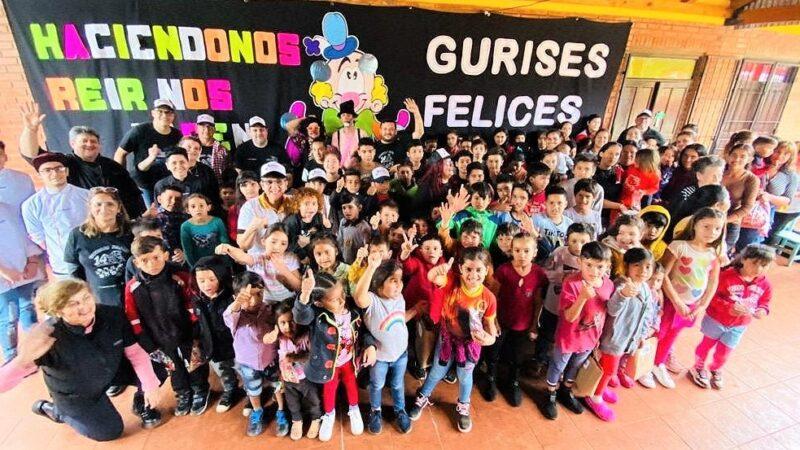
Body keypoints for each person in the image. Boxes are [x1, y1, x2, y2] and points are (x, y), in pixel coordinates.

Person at [0, 279, 162, 440]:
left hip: (109, 370)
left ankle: (143, 403)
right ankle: (58, 412)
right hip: (76, 393)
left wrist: (149, 386)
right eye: (72, 304)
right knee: (110, 432)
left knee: (157, 370)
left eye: (86, 298)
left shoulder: (112, 314)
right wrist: (21, 360)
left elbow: (135, 353)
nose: (84, 307)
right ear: (58, 310)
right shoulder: (46, 336)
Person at [409, 247, 498, 433]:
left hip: (470, 345)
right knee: (436, 371)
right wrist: (437, 270)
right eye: (468, 269)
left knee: (465, 376)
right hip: (447, 339)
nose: (473, 275)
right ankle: (423, 395)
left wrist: (488, 339)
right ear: (460, 268)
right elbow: (433, 278)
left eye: (479, 270)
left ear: (487, 270)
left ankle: (464, 405)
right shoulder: (451, 282)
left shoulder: (488, 298)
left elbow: (491, 328)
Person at [125, 236, 211, 417]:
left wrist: (196, 327)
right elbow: (133, 317)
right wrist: (144, 339)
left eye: (156, 257)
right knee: (174, 367)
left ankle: (200, 390)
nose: (151, 264)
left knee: (195, 363)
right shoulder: (132, 287)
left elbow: (192, 302)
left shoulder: (180, 276)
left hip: (187, 333)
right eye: (144, 260)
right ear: (136, 262)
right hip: (159, 339)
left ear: (165, 255)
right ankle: (182, 393)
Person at [19, 102, 145, 217]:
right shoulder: (64, 163)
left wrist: (140, 218)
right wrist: (30, 130)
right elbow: (31, 154)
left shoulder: (112, 166)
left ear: (99, 145)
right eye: (84, 141)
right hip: (82, 221)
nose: (89, 144)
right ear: (72, 144)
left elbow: (133, 195)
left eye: (93, 141)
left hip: (116, 222)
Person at [292, 270, 377, 442]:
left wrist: (370, 345)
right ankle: (329, 415)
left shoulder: (353, 310)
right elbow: (301, 317)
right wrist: (305, 295)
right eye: (334, 299)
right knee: (329, 389)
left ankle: (354, 409)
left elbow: (365, 330)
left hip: (349, 361)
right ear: (319, 302)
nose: (341, 301)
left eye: (342, 295)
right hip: (327, 365)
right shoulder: (317, 314)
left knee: (351, 385)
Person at [652, 208, 725, 388]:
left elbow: (713, 281)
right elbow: (663, 275)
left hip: (691, 305)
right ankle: (646, 363)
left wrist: (702, 305)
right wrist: (676, 301)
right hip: (671, 301)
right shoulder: (679, 246)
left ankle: (657, 363)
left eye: (717, 229)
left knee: (673, 334)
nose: (711, 233)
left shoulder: (714, 253)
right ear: (695, 225)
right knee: (658, 332)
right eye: (706, 226)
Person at [541, 241, 614, 420]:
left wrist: (599, 339)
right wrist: (582, 297)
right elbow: (570, 317)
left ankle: (566, 390)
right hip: (568, 339)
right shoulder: (572, 283)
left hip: (590, 339)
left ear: (607, 267)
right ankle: (550, 393)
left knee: (576, 366)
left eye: (600, 266)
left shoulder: (608, 285)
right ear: (580, 262)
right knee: (558, 365)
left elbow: (605, 314)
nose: (594, 271)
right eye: (588, 265)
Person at [587, 248, 658, 422]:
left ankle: (600, 387)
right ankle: (595, 396)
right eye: (637, 266)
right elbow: (612, 309)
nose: (643, 271)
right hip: (614, 339)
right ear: (626, 266)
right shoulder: (621, 285)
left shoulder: (646, 289)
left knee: (610, 369)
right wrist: (623, 295)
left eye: (648, 267)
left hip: (628, 339)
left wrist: (641, 336)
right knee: (608, 369)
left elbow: (646, 314)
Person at [689, 244, 774, 390]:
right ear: (744, 259)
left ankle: (716, 368)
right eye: (755, 263)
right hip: (715, 320)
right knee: (706, 345)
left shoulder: (765, 284)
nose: (759, 269)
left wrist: (762, 311)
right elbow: (711, 297)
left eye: (764, 265)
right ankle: (697, 367)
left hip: (739, 325)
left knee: (725, 351)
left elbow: (765, 303)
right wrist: (728, 308)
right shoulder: (726, 276)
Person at [354, 254, 417, 435]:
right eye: (393, 280)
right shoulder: (373, 301)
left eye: (400, 280)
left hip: (401, 355)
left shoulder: (399, 298)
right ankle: (376, 411)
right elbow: (359, 297)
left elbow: (398, 320)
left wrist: (415, 310)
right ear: (380, 282)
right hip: (380, 358)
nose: (399, 284)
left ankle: (400, 410)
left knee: (398, 385)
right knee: (377, 385)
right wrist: (371, 268)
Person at [485, 232, 547, 406]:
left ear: (534, 252)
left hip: (522, 323)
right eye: (517, 250)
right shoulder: (503, 270)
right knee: (494, 352)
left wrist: (534, 324)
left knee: (517, 356)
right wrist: (493, 320)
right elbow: (493, 297)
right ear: (511, 250)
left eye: (527, 251)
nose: (522, 255)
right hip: (501, 321)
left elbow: (537, 300)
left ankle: (513, 381)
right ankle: (490, 377)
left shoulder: (538, 273)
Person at [223, 272, 287, 437]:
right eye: (247, 297)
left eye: (258, 294)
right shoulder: (236, 316)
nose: (254, 301)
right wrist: (238, 303)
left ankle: (281, 410)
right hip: (247, 363)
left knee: (277, 386)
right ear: (236, 297)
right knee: (253, 389)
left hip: (271, 359)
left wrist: (276, 334)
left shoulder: (269, 309)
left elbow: (280, 326)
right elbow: (228, 316)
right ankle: (257, 411)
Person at [0, 143, 42, 362]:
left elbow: (25, 227)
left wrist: (33, 258)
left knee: (29, 306)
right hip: (4, 272)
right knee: (7, 315)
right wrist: (4, 270)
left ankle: (36, 351)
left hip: (26, 262)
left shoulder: (19, 183)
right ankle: (11, 357)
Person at [534, 223, 592, 374]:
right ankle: (539, 360)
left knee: (564, 337)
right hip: (553, 303)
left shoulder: (590, 261)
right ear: (567, 240)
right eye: (574, 241)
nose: (578, 246)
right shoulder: (559, 252)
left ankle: (557, 365)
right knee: (546, 333)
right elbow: (545, 270)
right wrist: (560, 277)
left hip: (574, 308)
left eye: (583, 242)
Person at [22, 153, 90, 278]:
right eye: (47, 170)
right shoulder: (32, 205)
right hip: (62, 265)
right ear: (39, 175)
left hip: (91, 260)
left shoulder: (87, 196)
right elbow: (37, 235)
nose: (54, 173)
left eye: (59, 168)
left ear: (67, 171)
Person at [64, 187, 133, 308]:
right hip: (99, 302)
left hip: (132, 298)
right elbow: (74, 271)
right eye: (98, 204)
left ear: (119, 208)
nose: (104, 209)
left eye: (110, 204)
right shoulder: (77, 235)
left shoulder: (132, 231)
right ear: (90, 207)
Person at [191, 256, 240, 413]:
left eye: (212, 279)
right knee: (224, 372)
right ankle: (230, 390)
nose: (207, 285)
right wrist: (198, 344)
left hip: (235, 346)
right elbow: (198, 324)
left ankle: (251, 394)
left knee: (244, 371)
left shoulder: (231, 297)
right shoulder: (197, 299)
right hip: (213, 347)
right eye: (201, 280)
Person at [114, 99, 183, 205]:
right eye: (160, 111)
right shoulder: (139, 131)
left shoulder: (177, 135)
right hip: (144, 184)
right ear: (153, 113)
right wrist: (121, 178)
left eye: (168, 112)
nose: (164, 115)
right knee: (150, 216)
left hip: (168, 184)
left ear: (173, 116)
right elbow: (120, 153)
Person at [270, 301, 322, 440]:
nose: (287, 327)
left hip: (306, 378)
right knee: (292, 402)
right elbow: (277, 355)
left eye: (291, 321)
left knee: (313, 400)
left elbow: (312, 356)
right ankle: (296, 420)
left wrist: (294, 357)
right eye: (283, 323)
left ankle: (316, 418)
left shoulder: (306, 336)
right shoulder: (280, 338)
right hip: (288, 380)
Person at [215, 223, 301, 303]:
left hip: (288, 302)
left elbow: (298, 286)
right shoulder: (258, 258)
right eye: (273, 242)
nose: (277, 247)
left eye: (283, 244)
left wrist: (283, 269)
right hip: (266, 303)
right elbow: (242, 256)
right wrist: (227, 248)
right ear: (263, 241)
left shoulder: (291, 258)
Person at [236, 162, 290, 253]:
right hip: (260, 262)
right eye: (269, 182)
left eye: (279, 181)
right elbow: (243, 245)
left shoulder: (295, 203)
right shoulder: (249, 207)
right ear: (262, 184)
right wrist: (253, 227)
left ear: (286, 184)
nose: (274, 186)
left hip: (288, 262)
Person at [154, 146, 222, 212]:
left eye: (182, 162)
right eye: (174, 163)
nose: (178, 166)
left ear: (188, 163)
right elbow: (158, 209)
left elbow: (213, 205)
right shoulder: (160, 185)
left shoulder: (202, 183)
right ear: (167, 166)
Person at [722, 144, 759, 254]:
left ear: (750, 159)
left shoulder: (751, 180)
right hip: (706, 219)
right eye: (734, 155)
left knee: (718, 257)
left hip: (730, 225)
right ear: (728, 155)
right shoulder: (718, 171)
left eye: (742, 156)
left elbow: (747, 207)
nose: (737, 159)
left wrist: (724, 220)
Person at [180, 193, 229, 268]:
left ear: (208, 207)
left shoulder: (217, 221)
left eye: (201, 206)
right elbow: (187, 251)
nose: (197, 209)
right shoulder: (185, 226)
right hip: (199, 264)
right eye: (193, 206)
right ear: (187, 210)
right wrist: (194, 268)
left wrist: (225, 264)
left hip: (218, 262)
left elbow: (225, 243)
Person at [374, 98, 424, 169]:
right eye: (385, 129)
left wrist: (416, 112)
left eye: (391, 129)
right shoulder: (373, 147)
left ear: (396, 131)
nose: (388, 132)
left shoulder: (402, 142)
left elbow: (419, 133)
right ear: (380, 130)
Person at [194, 114, 233, 183]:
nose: (206, 129)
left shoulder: (223, 150)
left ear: (214, 129)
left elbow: (228, 173)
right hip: (195, 188)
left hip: (216, 187)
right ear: (196, 128)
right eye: (202, 125)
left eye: (209, 126)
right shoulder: (188, 148)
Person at [227, 171, 261, 242]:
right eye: (244, 185)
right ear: (239, 188)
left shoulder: (269, 202)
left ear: (260, 185)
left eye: (253, 184)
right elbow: (233, 232)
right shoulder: (234, 209)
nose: (249, 188)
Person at [331, 100, 367, 168]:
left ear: (353, 117)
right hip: (342, 170)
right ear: (340, 118)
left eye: (348, 115)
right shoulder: (336, 135)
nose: (345, 117)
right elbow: (335, 154)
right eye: (343, 115)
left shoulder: (362, 133)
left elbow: (366, 151)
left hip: (359, 168)